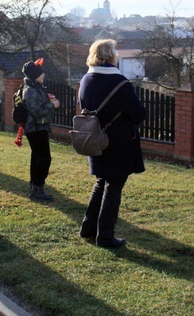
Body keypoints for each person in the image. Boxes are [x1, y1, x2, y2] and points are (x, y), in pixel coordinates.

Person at [78, 39, 145, 249]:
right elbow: (138, 114)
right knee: (114, 186)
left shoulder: (85, 80)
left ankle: (88, 228)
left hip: (95, 137)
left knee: (102, 182)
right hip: (118, 142)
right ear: (112, 55)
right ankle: (105, 236)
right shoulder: (120, 83)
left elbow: (83, 106)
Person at [21, 57, 60, 202]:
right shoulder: (30, 91)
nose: (43, 75)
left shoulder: (35, 88)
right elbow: (37, 111)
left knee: (37, 157)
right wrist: (53, 105)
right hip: (36, 128)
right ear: (34, 75)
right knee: (44, 158)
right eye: (41, 73)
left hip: (39, 127)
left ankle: (35, 187)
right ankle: (37, 189)